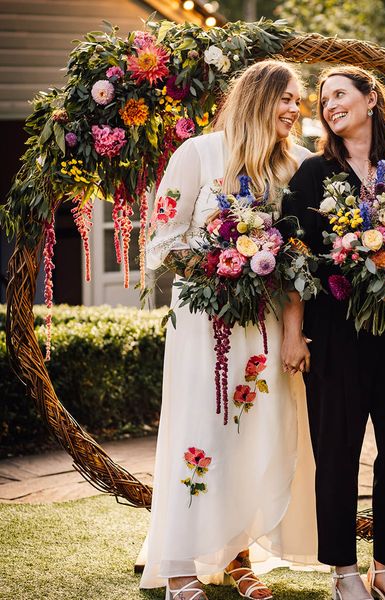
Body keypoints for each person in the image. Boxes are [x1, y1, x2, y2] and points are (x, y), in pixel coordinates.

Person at [140, 60, 317, 600]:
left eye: (298, 101)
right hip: (203, 325)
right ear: (257, 98)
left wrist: (293, 332)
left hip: (264, 329)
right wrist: (225, 264)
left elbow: (301, 261)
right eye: (286, 98)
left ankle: (240, 559)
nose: (295, 109)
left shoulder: (300, 166)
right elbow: (162, 241)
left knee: (255, 437)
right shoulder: (196, 154)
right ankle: (177, 565)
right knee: (201, 433)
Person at [281, 65, 385, 600]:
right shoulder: (312, 175)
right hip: (335, 332)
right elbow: (291, 259)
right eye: (323, 99)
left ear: (371, 99)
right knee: (337, 451)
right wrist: (294, 334)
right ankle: (344, 571)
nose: (329, 104)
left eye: (340, 94)